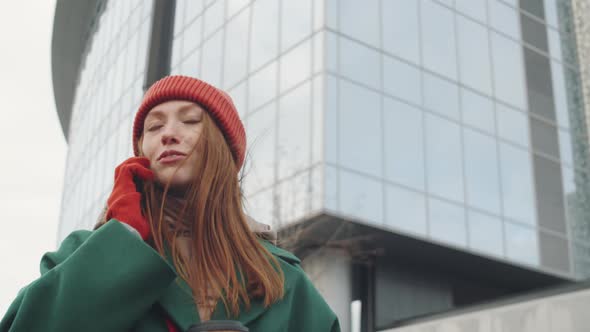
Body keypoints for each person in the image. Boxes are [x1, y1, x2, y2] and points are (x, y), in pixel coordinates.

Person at [0, 75, 340, 332]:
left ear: (223, 149)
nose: (168, 133)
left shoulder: (281, 278)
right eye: (154, 126)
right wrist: (122, 240)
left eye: (191, 120)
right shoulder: (84, 253)